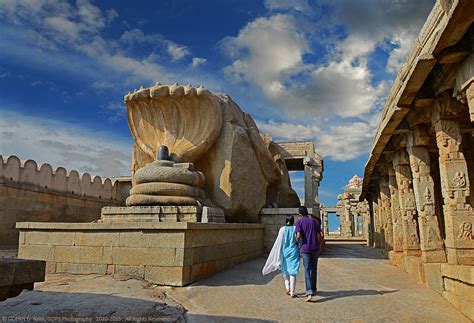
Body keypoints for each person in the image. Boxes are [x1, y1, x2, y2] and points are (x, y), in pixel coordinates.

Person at [262, 215, 300, 298]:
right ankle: (292, 292)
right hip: (294, 251)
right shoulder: (295, 228)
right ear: (293, 221)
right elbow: (298, 237)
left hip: (284, 251)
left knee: (285, 269)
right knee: (293, 271)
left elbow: (279, 241)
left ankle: (287, 287)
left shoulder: (282, 229)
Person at [295, 206, 322, 302]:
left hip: (305, 248)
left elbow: (298, 236)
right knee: (314, 269)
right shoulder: (315, 221)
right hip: (315, 248)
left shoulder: (299, 222)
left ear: (300, 213)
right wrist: (318, 244)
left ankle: (309, 291)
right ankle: (314, 289)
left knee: (307, 269)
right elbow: (320, 235)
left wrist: (297, 243)